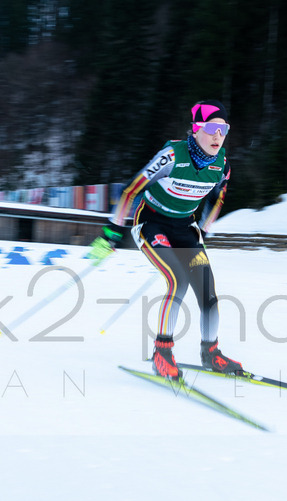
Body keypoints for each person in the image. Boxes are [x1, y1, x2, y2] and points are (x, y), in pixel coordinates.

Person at [88, 99, 242, 380]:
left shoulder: (223, 166)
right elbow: (130, 191)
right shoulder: (171, 156)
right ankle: (162, 351)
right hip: (151, 223)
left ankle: (211, 353)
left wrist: (204, 230)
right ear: (196, 129)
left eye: (224, 129)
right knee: (178, 279)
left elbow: (218, 199)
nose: (218, 136)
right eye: (211, 128)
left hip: (185, 229)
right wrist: (110, 233)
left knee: (207, 288)